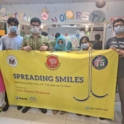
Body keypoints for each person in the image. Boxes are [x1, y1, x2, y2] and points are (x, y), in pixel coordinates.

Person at [20, 17, 53, 113]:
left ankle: (41, 104)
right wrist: (24, 48)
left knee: (41, 86)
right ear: (30, 26)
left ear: (40, 26)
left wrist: (47, 47)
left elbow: (52, 50)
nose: (35, 27)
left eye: (37, 25)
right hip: (28, 67)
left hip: (42, 68)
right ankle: (29, 104)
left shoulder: (45, 38)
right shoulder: (25, 38)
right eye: (33, 25)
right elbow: (19, 50)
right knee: (29, 86)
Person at [1, 17, 23, 111]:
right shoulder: (3, 38)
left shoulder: (21, 39)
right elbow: (0, 51)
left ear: (17, 26)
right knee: (8, 84)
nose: (13, 26)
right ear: (8, 25)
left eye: (14, 25)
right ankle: (8, 102)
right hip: (7, 66)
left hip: (18, 66)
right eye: (11, 25)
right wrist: (5, 51)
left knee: (18, 84)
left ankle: (19, 102)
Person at [105, 18, 124, 124]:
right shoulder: (109, 41)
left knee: (123, 97)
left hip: (123, 74)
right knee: (109, 96)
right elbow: (103, 57)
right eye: (116, 25)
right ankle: (107, 114)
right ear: (113, 28)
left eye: (120, 25)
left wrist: (122, 53)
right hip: (110, 74)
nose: (118, 27)